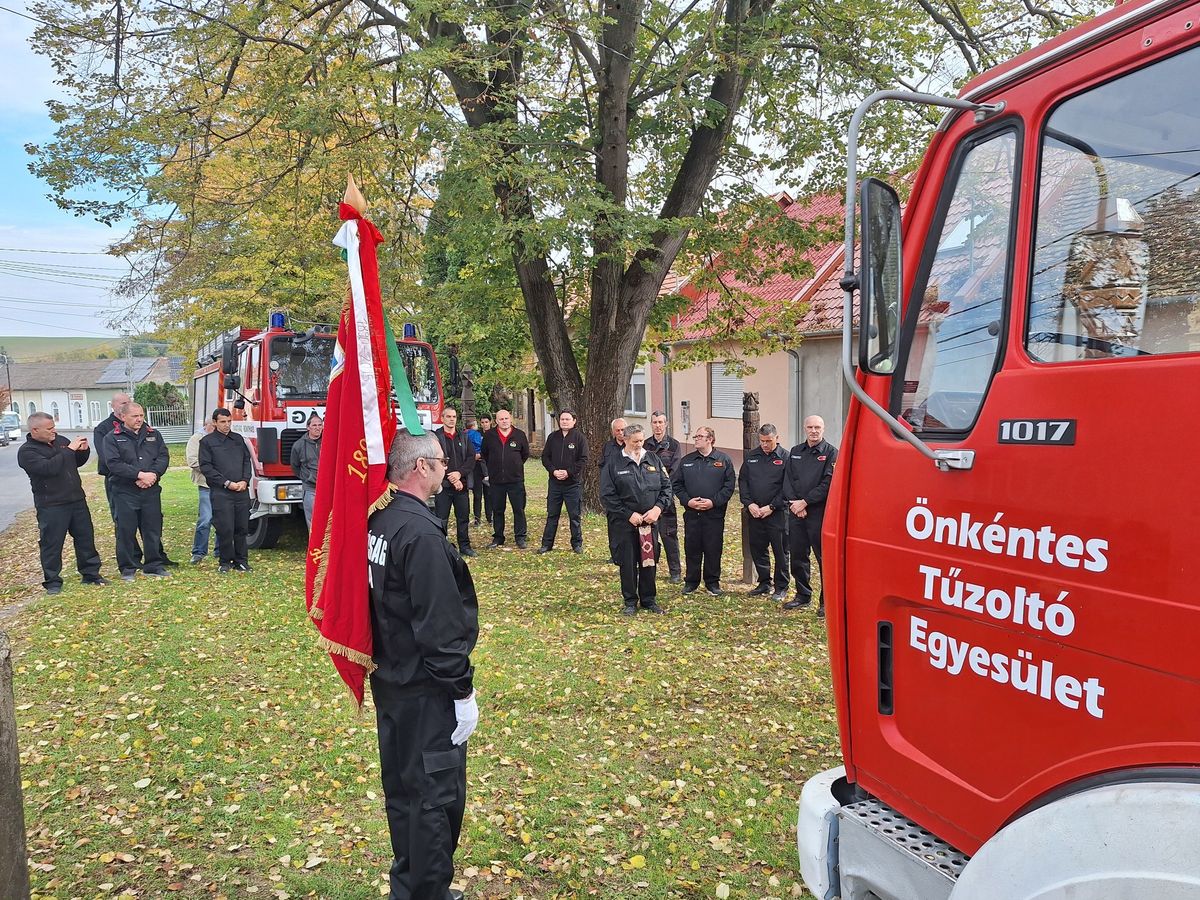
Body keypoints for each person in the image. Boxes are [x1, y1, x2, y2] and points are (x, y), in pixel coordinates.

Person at [367, 429, 479, 900]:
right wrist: (462, 692)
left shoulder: (381, 520)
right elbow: (439, 627)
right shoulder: (418, 534)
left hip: (393, 679)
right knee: (434, 800)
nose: (444, 467)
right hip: (425, 687)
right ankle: (427, 891)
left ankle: (409, 887)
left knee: (406, 793)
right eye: (439, 459)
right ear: (420, 467)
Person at [17, 412, 107, 594]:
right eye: (49, 429)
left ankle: (90, 574)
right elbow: (49, 468)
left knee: (85, 538)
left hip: (76, 499)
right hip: (51, 504)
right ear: (35, 430)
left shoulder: (61, 440)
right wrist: (69, 450)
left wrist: (83, 451)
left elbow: (74, 462)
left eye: (54, 427)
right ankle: (52, 581)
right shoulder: (27, 451)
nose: (54, 431)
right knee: (52, 543)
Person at [601, 424, 671, 616]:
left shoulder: (653, 459)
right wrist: (628, 514)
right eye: (635, 442)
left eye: (641, 440)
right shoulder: (614, 463)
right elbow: (607, 495)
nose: (639, 444)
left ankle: (649, 600)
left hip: (649, 522)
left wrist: (657, 509)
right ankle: (630, 601)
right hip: (625, 523)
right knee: (628, 561)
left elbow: (666, 488)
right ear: (624, 440)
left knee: (649, 561)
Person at [102, 402, 171, 581]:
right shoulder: (112, 438)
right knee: (126, 530)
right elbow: (114, 463)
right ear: (123, 417)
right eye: (135, 416)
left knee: (152, 529)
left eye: (141, 415)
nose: (139, 419)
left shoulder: (153, 435)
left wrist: (153, 475)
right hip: (125, 491)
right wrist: (139, 475)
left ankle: (153, 565)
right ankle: (128, 567)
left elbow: (163, 456)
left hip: (150, 490)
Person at [783, 415, 838, 617]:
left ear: (823, 429)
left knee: (823, 558)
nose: (813, 431)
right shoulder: (796, 452)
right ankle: (802, 595)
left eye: (817, 427)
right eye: (810, 427)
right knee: (797, 556)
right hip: (796, 511)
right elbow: (788, 479)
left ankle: (826, 602)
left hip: (818, 513)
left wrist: (805, 502)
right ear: (804, 428)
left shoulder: (831, 453)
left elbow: (827, 484)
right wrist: (795, 503)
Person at [672, 426, 736, 596]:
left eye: (700, 436)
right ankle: (691, 582)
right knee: (692, 548)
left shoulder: (723, 460)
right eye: (696, 436)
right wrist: (688, 501)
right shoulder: (686, 461)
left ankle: (712, 582)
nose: (696, 439)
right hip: (692, 514)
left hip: (714, 515)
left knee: (713, 549)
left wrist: (713, 502)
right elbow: (677, 484)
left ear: (710, 439)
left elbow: (729, 487)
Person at [739, 423, 791, 601]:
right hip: (755, 512)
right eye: (762, 441)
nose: (765, 445)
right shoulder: (752, 456)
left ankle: (781, 586)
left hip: (777, 513)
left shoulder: (786, 457)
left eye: (768, 441)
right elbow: (743, 482)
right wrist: (749, 504)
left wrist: (771, 507)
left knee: (781, 551)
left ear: (777, 438)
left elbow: (788, 487)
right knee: (758, 549)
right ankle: (764, 582)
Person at [199, 408, 254, 573]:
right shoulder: (207, 442)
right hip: (222, 492)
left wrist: (245, 480)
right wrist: (226, 483)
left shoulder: (238, 439)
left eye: (229, 421)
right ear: (215, 422)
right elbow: (206, 467)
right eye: (223, 422)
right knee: (225, 527)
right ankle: (225, 561)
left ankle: (241, 560)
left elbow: (246, 461)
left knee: (241, 527)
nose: (227, 425)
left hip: (241, 491)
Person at [537, 409, 589, 554]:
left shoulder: (579, 438)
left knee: (574, 516)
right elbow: (545, 457)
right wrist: (553, 471)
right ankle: (547, 544)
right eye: (562, 419)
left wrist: (568, 472)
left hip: (572, 484)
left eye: (567, 419)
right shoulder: (553, 437)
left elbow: (583, 459)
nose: (564, 421)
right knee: (552, 515)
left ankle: (577, 544)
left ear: (574, 421)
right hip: (555, 484)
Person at [479, 409, 530, 548]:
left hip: (515, 479)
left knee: (518, 509)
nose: (504, 421)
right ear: (496, 421)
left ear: (511, 419)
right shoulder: (490, 435)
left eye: (506, 418)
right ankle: (498, 537)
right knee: (498, 509)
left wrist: (514, 465)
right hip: (496, 480)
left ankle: (520, 537)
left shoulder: (519, 435)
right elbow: (485, 454)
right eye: (501, 419)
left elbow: (525, 454)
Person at [644, 411, 683, 583]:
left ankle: (675, 571)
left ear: (666, 424)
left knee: (669, 535)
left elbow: (673, 472)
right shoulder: (645, 445)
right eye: (654, 422)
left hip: (666, 498)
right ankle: (650, 567)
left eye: (661, 422)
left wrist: (662, 492)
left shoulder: (674, 445)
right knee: (649, 535)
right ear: (651, 424)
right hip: (648, 498)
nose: (658, 425)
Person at [434, 407, 476, 557]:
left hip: (461, 486)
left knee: (463, 517)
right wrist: (451, 478)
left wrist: (459, 474)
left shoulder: (463, 437)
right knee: (441, 518)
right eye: (449, 416)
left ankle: (465, 546)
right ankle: (440, 547)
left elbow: (471, 459)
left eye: (454, 417)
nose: (452, 419)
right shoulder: (436, 438)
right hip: (443, 486)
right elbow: (435, 461)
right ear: (442, 418)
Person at [186, 421, 223, 564]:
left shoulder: (223, 438)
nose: (216, 429)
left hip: (222, 484)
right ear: (208, 424)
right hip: (206, 484)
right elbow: (193, 461)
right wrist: (214, 470)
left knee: (222, 518)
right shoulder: (197, 439)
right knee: (205, 519)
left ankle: (220, 550)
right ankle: (199, 552)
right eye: (214, 426)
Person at [597, 418, 627, 565]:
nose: (621, 433)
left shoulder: (631, 446)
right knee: (613, 524)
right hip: (612, 491)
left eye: (623, 430)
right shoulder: (608, 446)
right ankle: (615, 555)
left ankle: (627, 553)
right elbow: (602, 465)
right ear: (613, 432)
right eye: (618, 430)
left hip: (627, 490)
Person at [290, 412, 323, 529]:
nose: (317, 428)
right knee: (312, 521)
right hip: (310, 489)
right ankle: (314, 546)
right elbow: (295, 466)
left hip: (328, 488)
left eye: (320, 425)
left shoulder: (329, 442)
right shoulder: (298, 445)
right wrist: (307, 477)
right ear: (308, 427)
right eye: (314, 425)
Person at [466, 415, 488, 526]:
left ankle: (490, 517)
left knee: (489, 495)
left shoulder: (491, 435)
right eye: (482, 422)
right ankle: (477, 518)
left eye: (486, 422)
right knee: (477, 494)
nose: (484, 424)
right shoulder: (475, 434)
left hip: (486, 465)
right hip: (476, 467)